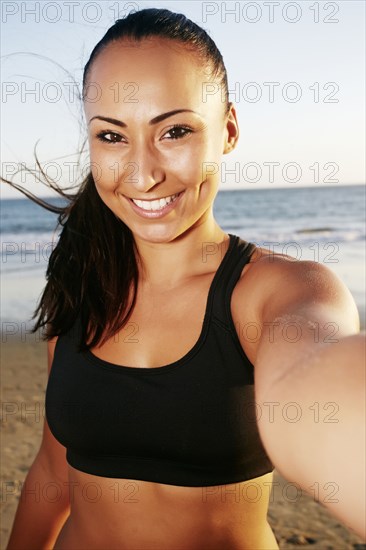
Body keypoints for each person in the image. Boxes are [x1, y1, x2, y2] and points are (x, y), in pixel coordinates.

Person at [4, 8, 365, 550]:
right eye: (111, 136)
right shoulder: (84, 284)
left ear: (229, 131)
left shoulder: (277, 294)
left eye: (174, 131)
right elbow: (55, 471)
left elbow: (321, 384)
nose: (143, 173)